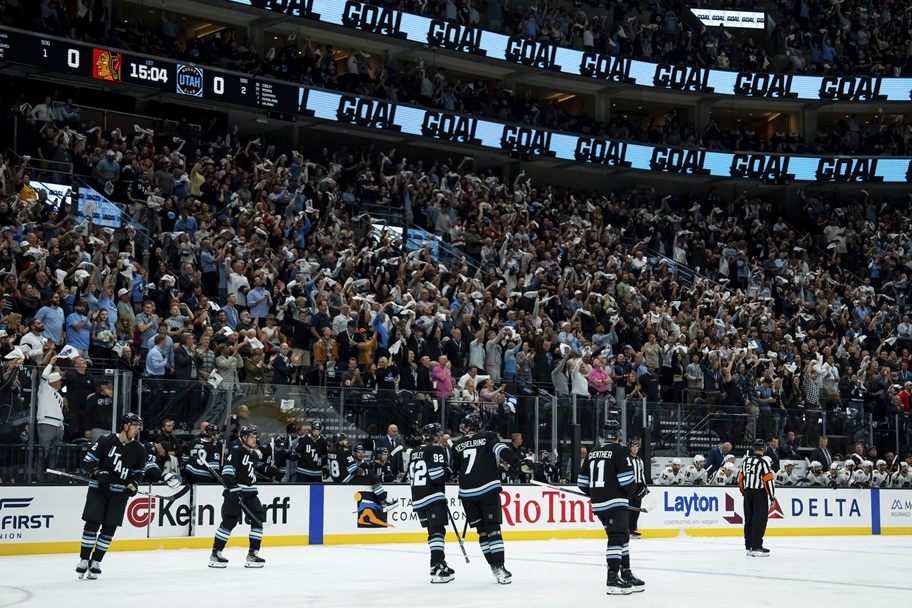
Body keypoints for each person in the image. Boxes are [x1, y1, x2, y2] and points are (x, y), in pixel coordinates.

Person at [451, 412, 519, 584]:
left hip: (467, 495)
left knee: (482, 532)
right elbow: (501, 450)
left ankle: (493, 567)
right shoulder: (488, 436)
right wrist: (516, 462)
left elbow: (455, 468)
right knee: (493, 529)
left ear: (467, 427)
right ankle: (500, 567)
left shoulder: (457, 444)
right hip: (487, 490)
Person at [76, 413, 146, 579]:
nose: (137, 429)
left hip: (119, 494)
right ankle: (84, 559)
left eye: (138, 426)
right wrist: (99, 472)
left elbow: (139, 472)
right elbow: (87, 461)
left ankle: (96, 561)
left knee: (109, 529)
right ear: (125, 425)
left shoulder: (139, 449)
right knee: (92, 524)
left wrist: (134, 484)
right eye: (135, 425)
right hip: (98, 489)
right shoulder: (105, 440)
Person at [578, 420, 644, 595]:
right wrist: (640, 491)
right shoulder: (621, 451)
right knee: (616, 538)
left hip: (599, 505)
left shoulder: (592, 452)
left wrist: (597, 493)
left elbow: (581, 483)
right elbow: (627, 482)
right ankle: (612, 578)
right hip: (615, 503)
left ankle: (626, 572)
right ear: (618, 434)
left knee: (622, 536)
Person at [209, 425, 266, 569]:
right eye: (252, 436)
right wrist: (233, 488)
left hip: (251, 492)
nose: (255, 439)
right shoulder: (236, 452)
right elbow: (228, 472)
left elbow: (250, 470)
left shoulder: (254, 454)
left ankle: (253, 554)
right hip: (235, 492)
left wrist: (267, 470)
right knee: (229, 522)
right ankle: (216, 554)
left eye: (255, 436)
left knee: (258, 519)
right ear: (244, 438)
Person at [408, 423, 455, 584]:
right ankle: (435, 566)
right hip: (432, 497)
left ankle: (440, 562)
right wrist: (449, 470)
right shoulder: (435, 449)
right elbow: (436, 475)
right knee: (437, 531)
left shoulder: (414, 451)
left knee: (433, 532)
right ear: (435, 436)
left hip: (418, 498)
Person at [326, 432, 396, 509]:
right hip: (346, 479)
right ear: (340, 442)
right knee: (374, 477)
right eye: (345, 440)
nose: (347, 441)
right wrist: (365, 473)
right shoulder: (345, 451)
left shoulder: (330, 451)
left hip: (336, 479)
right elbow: (353, 469)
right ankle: (383, 502)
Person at [738, 439, 776, 557]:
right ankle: (756, 546)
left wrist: (744, 492)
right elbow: (768, 480)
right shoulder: (764, 463)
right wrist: (772, 497)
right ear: (763, 449)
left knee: (749, 519)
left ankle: (748, 546)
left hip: (748, 493)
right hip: (759, 493)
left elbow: (741, 478)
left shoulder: (746, 461)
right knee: (759, 520)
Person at [627, 439, 648, 539]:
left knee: (636, 509)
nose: (635, 448)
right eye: (633, 446)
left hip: (639, 486)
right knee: (629, 508)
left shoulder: (640, 461)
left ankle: (633, 529)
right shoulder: (627, 459)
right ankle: (627, 529)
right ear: (630, 447)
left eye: (637, 446)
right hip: (629, 486)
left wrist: (645, 486)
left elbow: (642, 474)